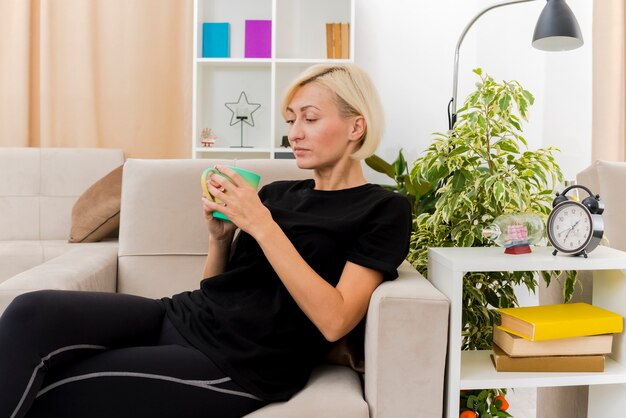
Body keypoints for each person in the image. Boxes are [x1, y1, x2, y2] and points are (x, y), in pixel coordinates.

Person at [0, 63, 411, 418]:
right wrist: (219, 240)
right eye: (290, 120)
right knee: (29, 310)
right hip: (179, 315)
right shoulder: (277, 192)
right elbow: (219, 288)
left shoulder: (382, 209)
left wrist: (264, 226)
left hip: (240, 360)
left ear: (356, 125)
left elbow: (335, 319)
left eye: (310, 118)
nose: (294, 133)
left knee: (58, 390)